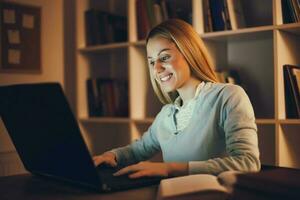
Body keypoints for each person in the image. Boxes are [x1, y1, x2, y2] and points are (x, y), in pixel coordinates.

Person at [93, 19, 260, 178]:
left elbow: (247, 163)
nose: (157, 69)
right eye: (152, 62)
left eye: (164, 57)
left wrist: (169, 168)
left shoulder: (228, 96)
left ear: (190, 52)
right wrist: (111, 156)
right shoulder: (166, 114)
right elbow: (137, 150)